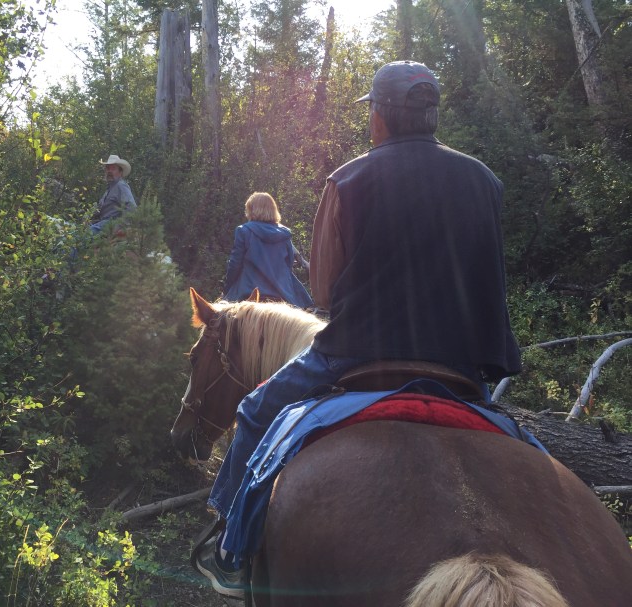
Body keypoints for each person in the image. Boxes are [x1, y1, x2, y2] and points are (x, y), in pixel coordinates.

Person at [192, 60, 522, 597]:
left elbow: (323, 291)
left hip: (358, 351)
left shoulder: (348, 179)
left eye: (371, 109)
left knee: (254, 410)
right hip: (461, 363)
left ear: (381, 116)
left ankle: (229, 551)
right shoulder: (484, 180)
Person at [222, 192, 314, 309]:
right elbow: (288, 264)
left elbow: (235, 264)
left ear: (251, 209)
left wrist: (227, 289)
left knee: (223, 320)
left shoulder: (243, 231)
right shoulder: (285, 233)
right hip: (282, 294)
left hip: (249, 292)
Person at [90, 154, 136, 236]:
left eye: (113, 168)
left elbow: (131, 207)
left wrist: (121, 226)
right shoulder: (109, 188)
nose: (109, 171)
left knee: (84, 237)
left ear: (120, 172)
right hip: (101, 223)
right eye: (108, 168)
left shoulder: (121, 186)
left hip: (110, 224)